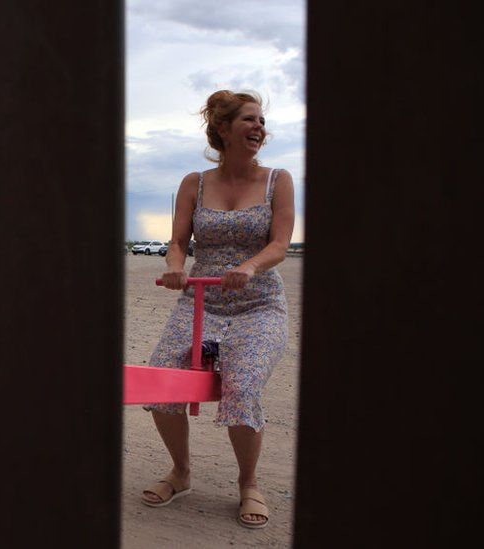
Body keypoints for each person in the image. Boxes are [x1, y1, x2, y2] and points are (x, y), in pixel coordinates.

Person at [140, 90, 294, 529]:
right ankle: (181, 472)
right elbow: (177, 243)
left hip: (258, 303)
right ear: (223, 129)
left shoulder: (277, 180)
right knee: (163, 379)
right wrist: (174, 268)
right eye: (250, 120)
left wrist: (248, 267)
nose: (260, 128)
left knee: (241, 383)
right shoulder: (195, 182)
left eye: (263, 121)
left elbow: (280, 244)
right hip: (201, 301)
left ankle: (249, 482)